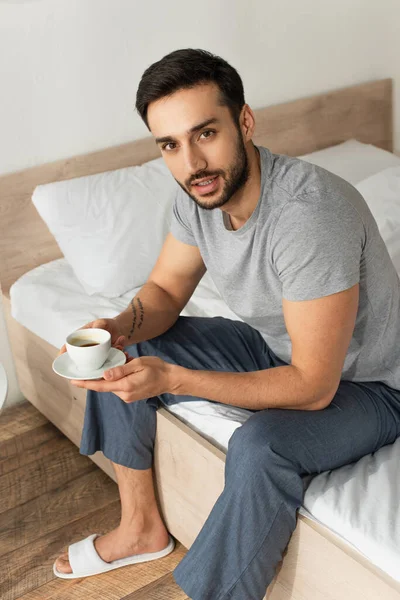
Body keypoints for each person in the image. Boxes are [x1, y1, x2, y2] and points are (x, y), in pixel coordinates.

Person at [53, 48, 400, 599]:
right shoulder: (197, 196)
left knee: (260, 447)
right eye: (171, 145)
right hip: (276, 349)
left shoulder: (309, 216)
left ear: (245, 121)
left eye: (205, 133)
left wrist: (170, 379)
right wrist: (118, 327)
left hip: (371, 387)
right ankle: (141, 527)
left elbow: (312, 387)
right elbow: (165, 292)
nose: (192, 162)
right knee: (127, 348)